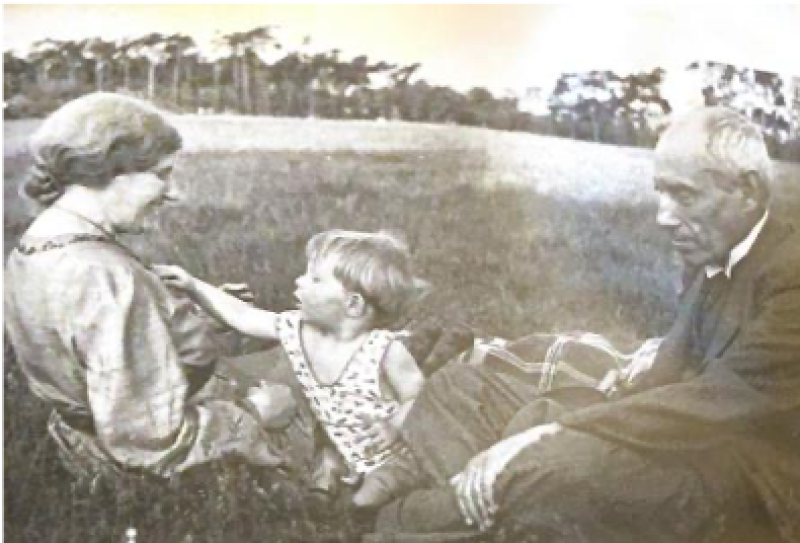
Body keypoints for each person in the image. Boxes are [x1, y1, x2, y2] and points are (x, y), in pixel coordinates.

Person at [372, 106, 800, 542]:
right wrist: (566, 420)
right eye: (661, 193)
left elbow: (714, 400)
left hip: (742, 481)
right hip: (678, 432)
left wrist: (558, 431)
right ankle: (496, 507)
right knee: (459, 388)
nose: (663, 216)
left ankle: (398, 522)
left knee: (538, 464)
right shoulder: (714, 246)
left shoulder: (790, 274)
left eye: (685, 196)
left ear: (748, 190)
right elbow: (667, 372)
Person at [2, 93, 303, 480]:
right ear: (107, 169)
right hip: (142, 463)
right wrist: (256, 415)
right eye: (162, 174)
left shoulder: (35, 247)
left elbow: (91, 353)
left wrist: (186, 321)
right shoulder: (106, 275)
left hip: (79, 443)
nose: (172, 192)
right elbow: (147, 439)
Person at [154, 230, 427, 507]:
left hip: (387, 456)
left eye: (315, 279)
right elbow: (243, 316)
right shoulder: (298, 330)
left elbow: (419, 398)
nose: (299, 282)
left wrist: (394, 425)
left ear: (353, 304)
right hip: (337, 449)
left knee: (374, 490)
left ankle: (353, 512)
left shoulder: (384, 350)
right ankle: (324, 497)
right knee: (315, 472)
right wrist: (193, 286)